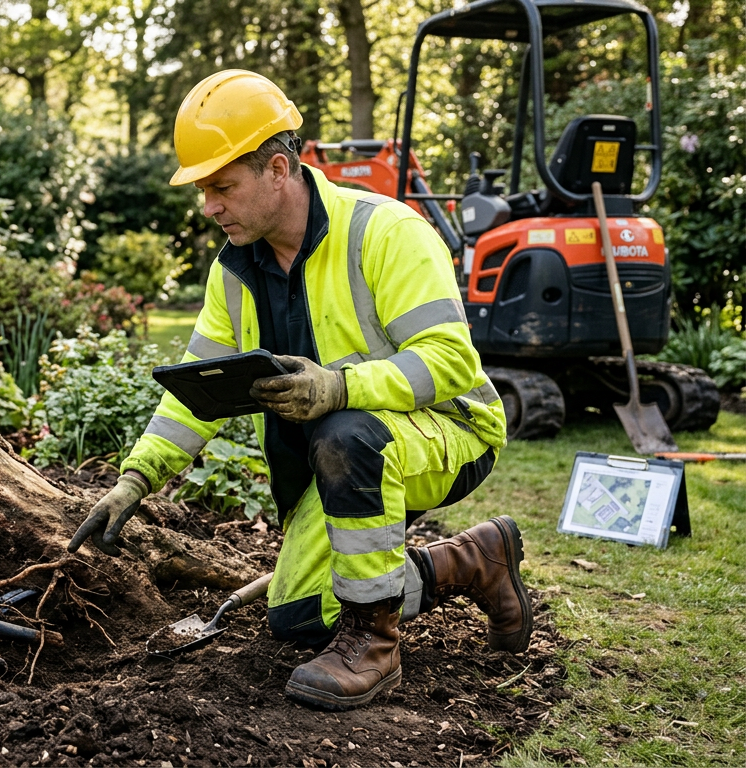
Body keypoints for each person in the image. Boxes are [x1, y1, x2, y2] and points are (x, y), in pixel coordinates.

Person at [67, 69, 533, 711]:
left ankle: (374, 644)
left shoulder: (386, 232)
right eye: (204, 190)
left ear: (279, 169)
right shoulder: (234, 272)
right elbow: (197, 390)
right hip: (337, 457)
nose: (208, 207)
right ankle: (474, 560)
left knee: (349, 434)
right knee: (298, 619)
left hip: (449, 431)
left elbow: (450, 362)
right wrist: (136, 479)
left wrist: (339, 387)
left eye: (222, 187)